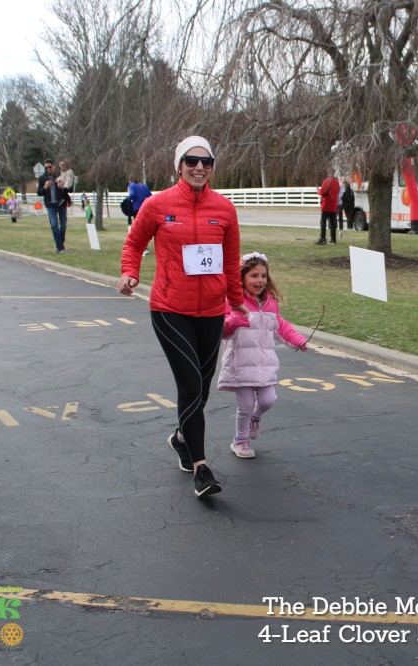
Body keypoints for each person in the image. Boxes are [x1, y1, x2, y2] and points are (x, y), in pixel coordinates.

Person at [116, 135, 247, 499]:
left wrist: (237, 301)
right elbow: (134, 243)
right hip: (170, 309)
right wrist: (129, 273)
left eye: (207, 162)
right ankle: (201, 467)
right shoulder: (158, 205)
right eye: (191, 161)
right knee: (190, 385)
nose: (199, 167)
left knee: (201, 389)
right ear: (179, 165)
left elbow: (230, 260)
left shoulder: (224, 209)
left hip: (211, 311)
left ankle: (180, 438)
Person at [218, 252, 308, 459]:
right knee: (245, 405)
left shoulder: (270, 303)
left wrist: (299, 340)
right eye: (254, 276)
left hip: (264, 364)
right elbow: (222, 330)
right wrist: (233, 321)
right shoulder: (233, 301)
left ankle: (255, 418)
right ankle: (240, 440)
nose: (260, 280)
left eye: (263, 276)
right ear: (242, 278)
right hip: (240, 364)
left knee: (268, 400)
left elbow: (281, 327)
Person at [37, 159, 68, 253]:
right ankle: (59, 247)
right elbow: (39, 192)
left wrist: (63, 187)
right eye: (46, 167)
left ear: (53, 166)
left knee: (63, 225)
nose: (48, 169)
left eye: (49, 167)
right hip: (50, 205)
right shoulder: (42, 178)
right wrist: (45, 187)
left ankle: (61, 243)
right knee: (54, 225)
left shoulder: (60, 176)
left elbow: (69, 189)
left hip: (61, 204)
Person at [315, 171, 340, 245]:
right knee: (333, 223)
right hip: (333, 206)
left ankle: (323, 238)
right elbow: (337, 191)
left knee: (323, 222)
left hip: (326, 205)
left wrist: (317, 190)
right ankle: (333, 239)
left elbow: (323, 192)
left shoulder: (326, 181)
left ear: (328, 174)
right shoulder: (336, 183)